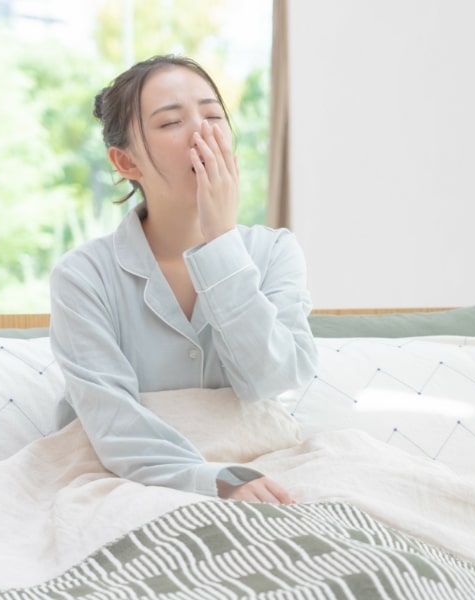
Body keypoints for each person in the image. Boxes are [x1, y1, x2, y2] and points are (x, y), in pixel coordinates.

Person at [49, 55, 317, 504]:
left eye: (214, 115)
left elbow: (270, 381)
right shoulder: (83, 277)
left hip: (268, 474)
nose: (203, 133)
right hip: (127, 484)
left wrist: (221, 244)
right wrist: (217, 480)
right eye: (171, 122)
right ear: (125, 162)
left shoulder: (275, 252)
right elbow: (115, 427)